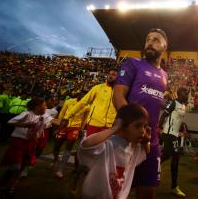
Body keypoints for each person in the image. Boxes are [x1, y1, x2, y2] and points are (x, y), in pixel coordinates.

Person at [114, 28, 168, 199]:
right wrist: (135, 127)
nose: (150, 42)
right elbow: (118, 96)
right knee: (114, 191)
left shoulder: (165, 75)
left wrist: (148, 132)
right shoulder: (132, 63)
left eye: (156, 40)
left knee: (148, 191)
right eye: (148, 39)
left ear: (165, 47)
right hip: (125, 138)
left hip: (150, 143)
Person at [78, 104, 151, 199]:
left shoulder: (133, 148)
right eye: (138, 126)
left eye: (145, 127)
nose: (142, 131)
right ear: (122, 126)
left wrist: (145, 142)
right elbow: (86, 144)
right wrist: (114, 129)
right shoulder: (109, 144)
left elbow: (146, 153)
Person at [0, 98, 59, 198]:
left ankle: (11, 187)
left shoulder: (44, 115)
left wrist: (67, 120)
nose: (46, 107)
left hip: (31, 143)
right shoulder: (26, 114)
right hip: (19, 142)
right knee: (15, 167)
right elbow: (10, 122)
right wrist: (24, 125)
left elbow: (55, 122)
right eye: (44, 105)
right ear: (37, 107)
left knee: (21, 167)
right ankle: (0, 186)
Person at [63, 69, 117, 136]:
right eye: (109, 74)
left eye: (114, 75)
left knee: (103, 146)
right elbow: (83, 102)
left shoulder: (119, 91)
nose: (110, 76)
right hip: (94, 124)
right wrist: (67, 116)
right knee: (90, 146)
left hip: (109, 126)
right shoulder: (97, 88)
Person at [158, 87, 188, 197]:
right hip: (168, 133)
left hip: (175, 134)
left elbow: (178, 120)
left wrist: (182, 130)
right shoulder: (173, 103)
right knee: (175, 156)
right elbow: (164, 115)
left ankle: (152, 166)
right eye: (185, 93)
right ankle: (174, 187)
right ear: (180, 94)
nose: (187, 94)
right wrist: (159, 128)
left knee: (166, 155)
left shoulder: (184, 106)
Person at [52, 92, 90, 178]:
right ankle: (55, 160)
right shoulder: (69, 102)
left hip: (75, 128)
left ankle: (60, 170)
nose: (83, 98)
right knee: (57, 146)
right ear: (78, 95)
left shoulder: (87, 106)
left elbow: (85, 119)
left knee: (69, 146)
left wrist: (81, 128)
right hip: (64, 126)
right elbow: (62, 113)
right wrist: (59, 125)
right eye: (82, 96)